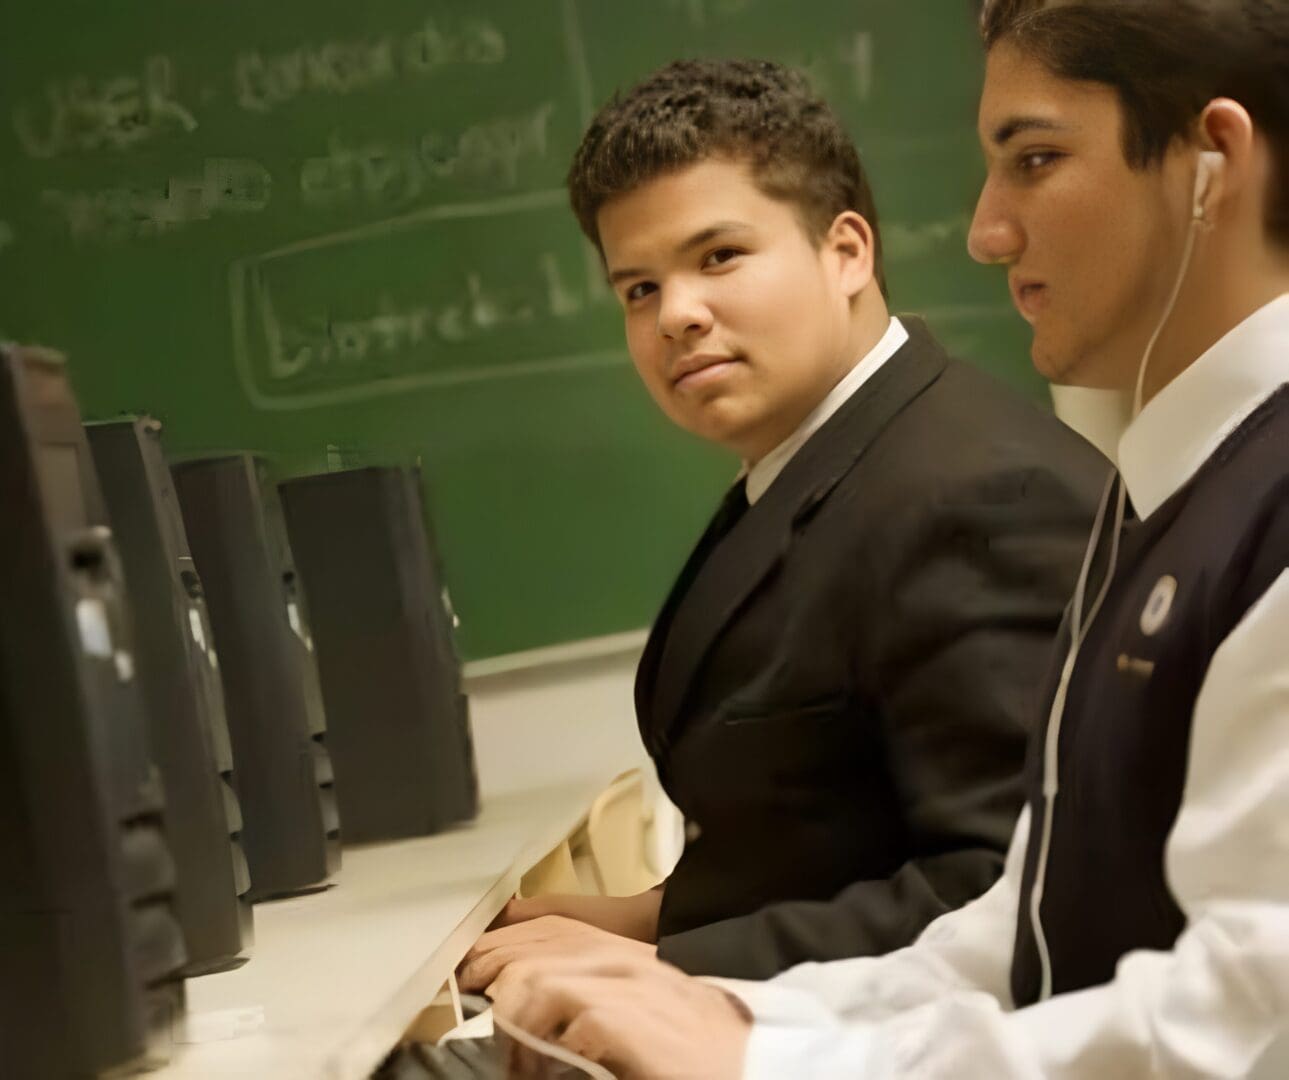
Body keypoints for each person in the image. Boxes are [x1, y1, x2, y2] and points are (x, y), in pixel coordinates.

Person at [479, 2, 1289, 1076]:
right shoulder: (1169, 486)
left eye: (1035, 159)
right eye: (638, 288)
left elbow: (1248, 1016)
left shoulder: (1077, 492)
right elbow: (1027, 919)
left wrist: (756, 1051)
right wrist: (737, 1015)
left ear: (1208, 164)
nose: (983, 230)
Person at [460, 57, 1103, 991]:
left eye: (718, 257)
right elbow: (831, 831)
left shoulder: (973, 496)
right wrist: (649, 917)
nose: (676, 314)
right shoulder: (821, 463)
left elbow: (1009, 892)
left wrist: (668, 962)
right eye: (637, 288)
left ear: (847, 251)